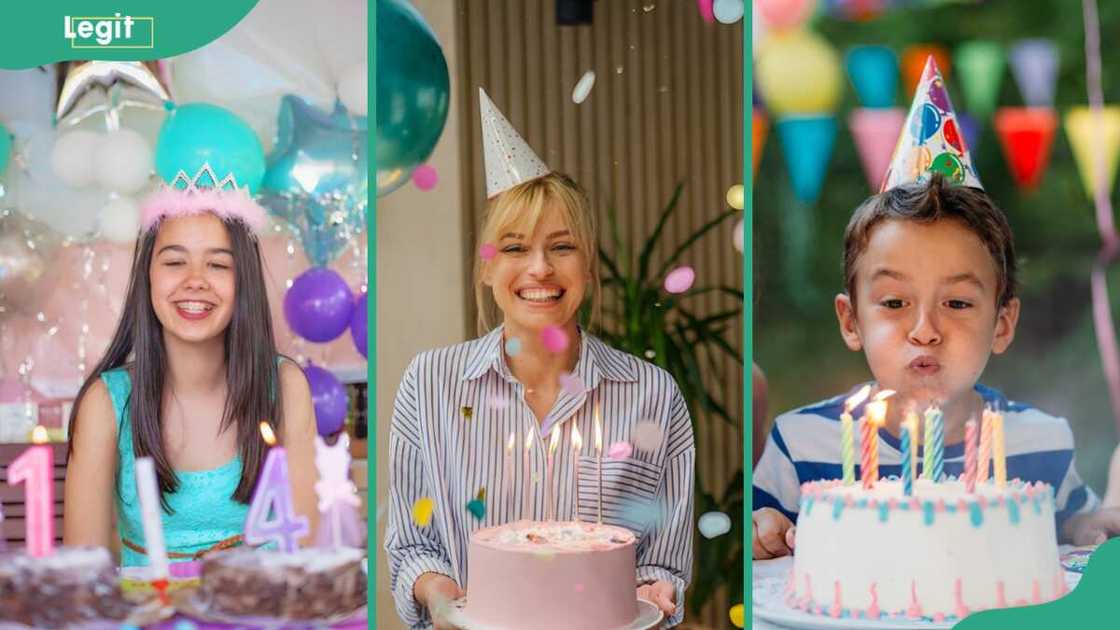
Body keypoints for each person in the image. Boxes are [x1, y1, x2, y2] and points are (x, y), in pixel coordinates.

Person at [752, 58, 1120, 560]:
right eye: (895, 302)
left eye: (958, 302)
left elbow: (1077, 531)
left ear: (1003, 323)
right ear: (850, 320)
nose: (925, 330)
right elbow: (764, 542)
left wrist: (1091, 526)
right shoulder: (801, 447)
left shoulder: (1040, 443)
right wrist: (764, 532)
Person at [385, 89, 695, 629]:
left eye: (562, 246)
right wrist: (439, 595)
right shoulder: (428, 384)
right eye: (513, 248)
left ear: (589, 264)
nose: (539, 269)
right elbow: (413, 543)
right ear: (486, 268)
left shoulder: (652, 394)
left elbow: (663, 560)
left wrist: (656, 589)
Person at [63, 164, 319, 566]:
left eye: (218, 264)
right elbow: (80, 582)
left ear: (244, 282)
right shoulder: (106, 404)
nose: (195, 280)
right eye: (174, 262)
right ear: (147, 275)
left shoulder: (285, 387)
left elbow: (308, 558)